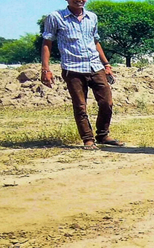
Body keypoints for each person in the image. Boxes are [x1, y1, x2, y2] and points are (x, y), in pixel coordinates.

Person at [41, 0, 124, 150]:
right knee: (80, 106)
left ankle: (103, 135)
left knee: (107, 102)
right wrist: (45, 69)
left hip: (95, 66)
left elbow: (95, 42)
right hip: (73, 68)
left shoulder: (92, 17)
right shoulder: (56, 17)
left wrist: (106, 64)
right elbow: (47, 43)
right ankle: (88, 139)